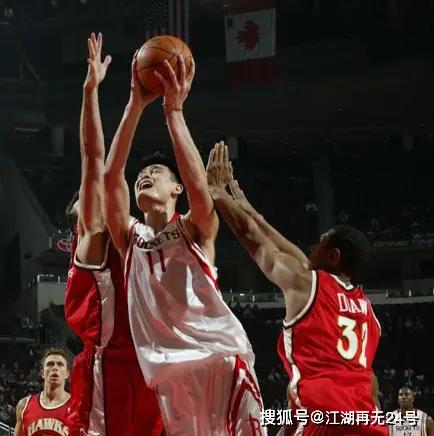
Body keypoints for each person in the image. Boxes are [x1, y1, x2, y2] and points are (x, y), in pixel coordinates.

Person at [104, 54, 265, 435]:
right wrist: (134, 105)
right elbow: (110, 178)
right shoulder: (130, 239)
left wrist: (173, 112)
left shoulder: (194, 229)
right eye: (141, 174)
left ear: (176, 189)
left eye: (155, 172)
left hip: (220, 361)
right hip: (171, 382)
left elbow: (200, 191)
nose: (144, 176)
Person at [206, 142, 388, 435]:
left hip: (324, 418)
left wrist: (215, 192)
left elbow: (252, 238)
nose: (314, 245)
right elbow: (294, 255)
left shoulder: (307, 283)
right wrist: (251, 211)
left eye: (322, 242)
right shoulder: (368, 311)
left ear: (334, 255)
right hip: (366, 422)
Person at [64, 32, 162, 436]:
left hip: (151, 364)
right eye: (87, 203)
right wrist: (91, 91)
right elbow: (93, 158)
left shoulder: (140, 236)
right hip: (107, 370)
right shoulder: (93, 238)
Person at [14, 348, 71, 436]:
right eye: (50, 364)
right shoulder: (24, 405)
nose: (55, 368)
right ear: (42, 373)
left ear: (67, 374)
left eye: (60, 364)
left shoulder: (78, 407)